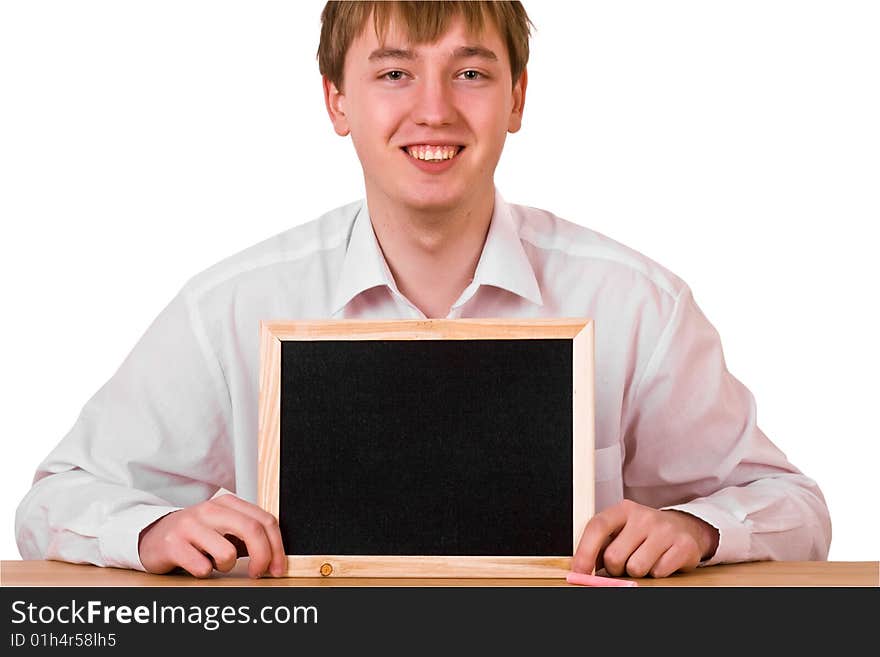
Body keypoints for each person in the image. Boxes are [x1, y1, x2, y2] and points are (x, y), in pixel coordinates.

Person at [15, 0, 831, 580]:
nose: (434, 110)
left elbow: (794, 506)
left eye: (470, 72)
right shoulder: (229, 307)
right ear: (337, 101)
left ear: (517, 98)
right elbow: (54, 498)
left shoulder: (637, 305)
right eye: (396, 72)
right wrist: (153, 526)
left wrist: (695, 526)